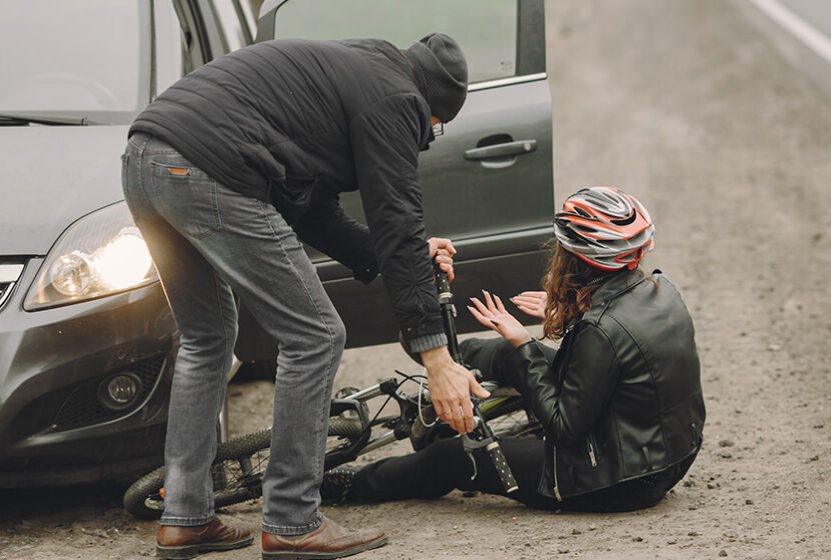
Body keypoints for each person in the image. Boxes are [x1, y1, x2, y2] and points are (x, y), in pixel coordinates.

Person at [121, 33, 489, 559]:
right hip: (208, 168)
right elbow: (398, 219)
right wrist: (436, 357)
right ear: (431, 107)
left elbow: (313, 210)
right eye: (435, 127)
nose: (429, 135)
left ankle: (185, 517)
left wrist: (399, 257)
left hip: (145, 161)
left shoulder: (355, 72)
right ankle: (293, 520)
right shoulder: (397, 99)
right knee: (315, 335)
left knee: (207, 337)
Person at [322, 186, 706, 513]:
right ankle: (445, 361)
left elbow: (563, 427)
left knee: (451, 457)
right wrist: (570, 313)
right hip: (671, 454)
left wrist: (525, 341)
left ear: (577, 258)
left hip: (618, 481)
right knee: (510, 356)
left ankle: (344, 487)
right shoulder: (661, 290)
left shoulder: (599, 332)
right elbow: (622, 355)